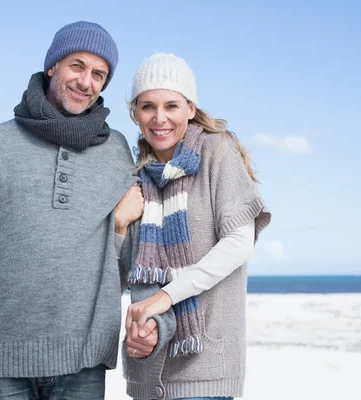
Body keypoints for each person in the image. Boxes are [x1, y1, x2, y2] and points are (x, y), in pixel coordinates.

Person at [0, 21, 153, 400]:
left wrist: (116, 227)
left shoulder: (117, 152)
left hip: (83, 364)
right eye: (76, 66)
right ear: (52, 66)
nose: (86, 81)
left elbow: (121, 267)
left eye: (98, 74)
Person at [118, 53, 272, 400]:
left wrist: (163, 297)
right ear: (135, 113)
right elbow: (119, 278)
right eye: (147, 107)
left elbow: (238, 243)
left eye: (171, 105)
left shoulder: (217, 153)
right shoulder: (134, 178)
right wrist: (117, 224)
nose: (160, 118)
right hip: (147, 373)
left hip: (206, 372)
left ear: (190, 108)